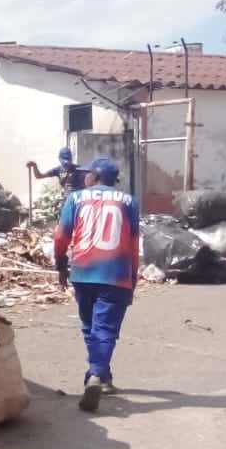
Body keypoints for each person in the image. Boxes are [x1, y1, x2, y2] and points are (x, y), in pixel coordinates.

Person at [52, 158, 141, 414]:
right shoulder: (129, 202)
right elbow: (134, 244)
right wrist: (132, 278)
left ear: (94, 176)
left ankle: (102, 374)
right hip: (115, 273)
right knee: (105, 328)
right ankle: (98, 374)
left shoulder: (76, 198)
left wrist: (61, 265)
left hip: (83, 272)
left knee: (91, 326)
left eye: (87, 174)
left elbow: (61, 235)